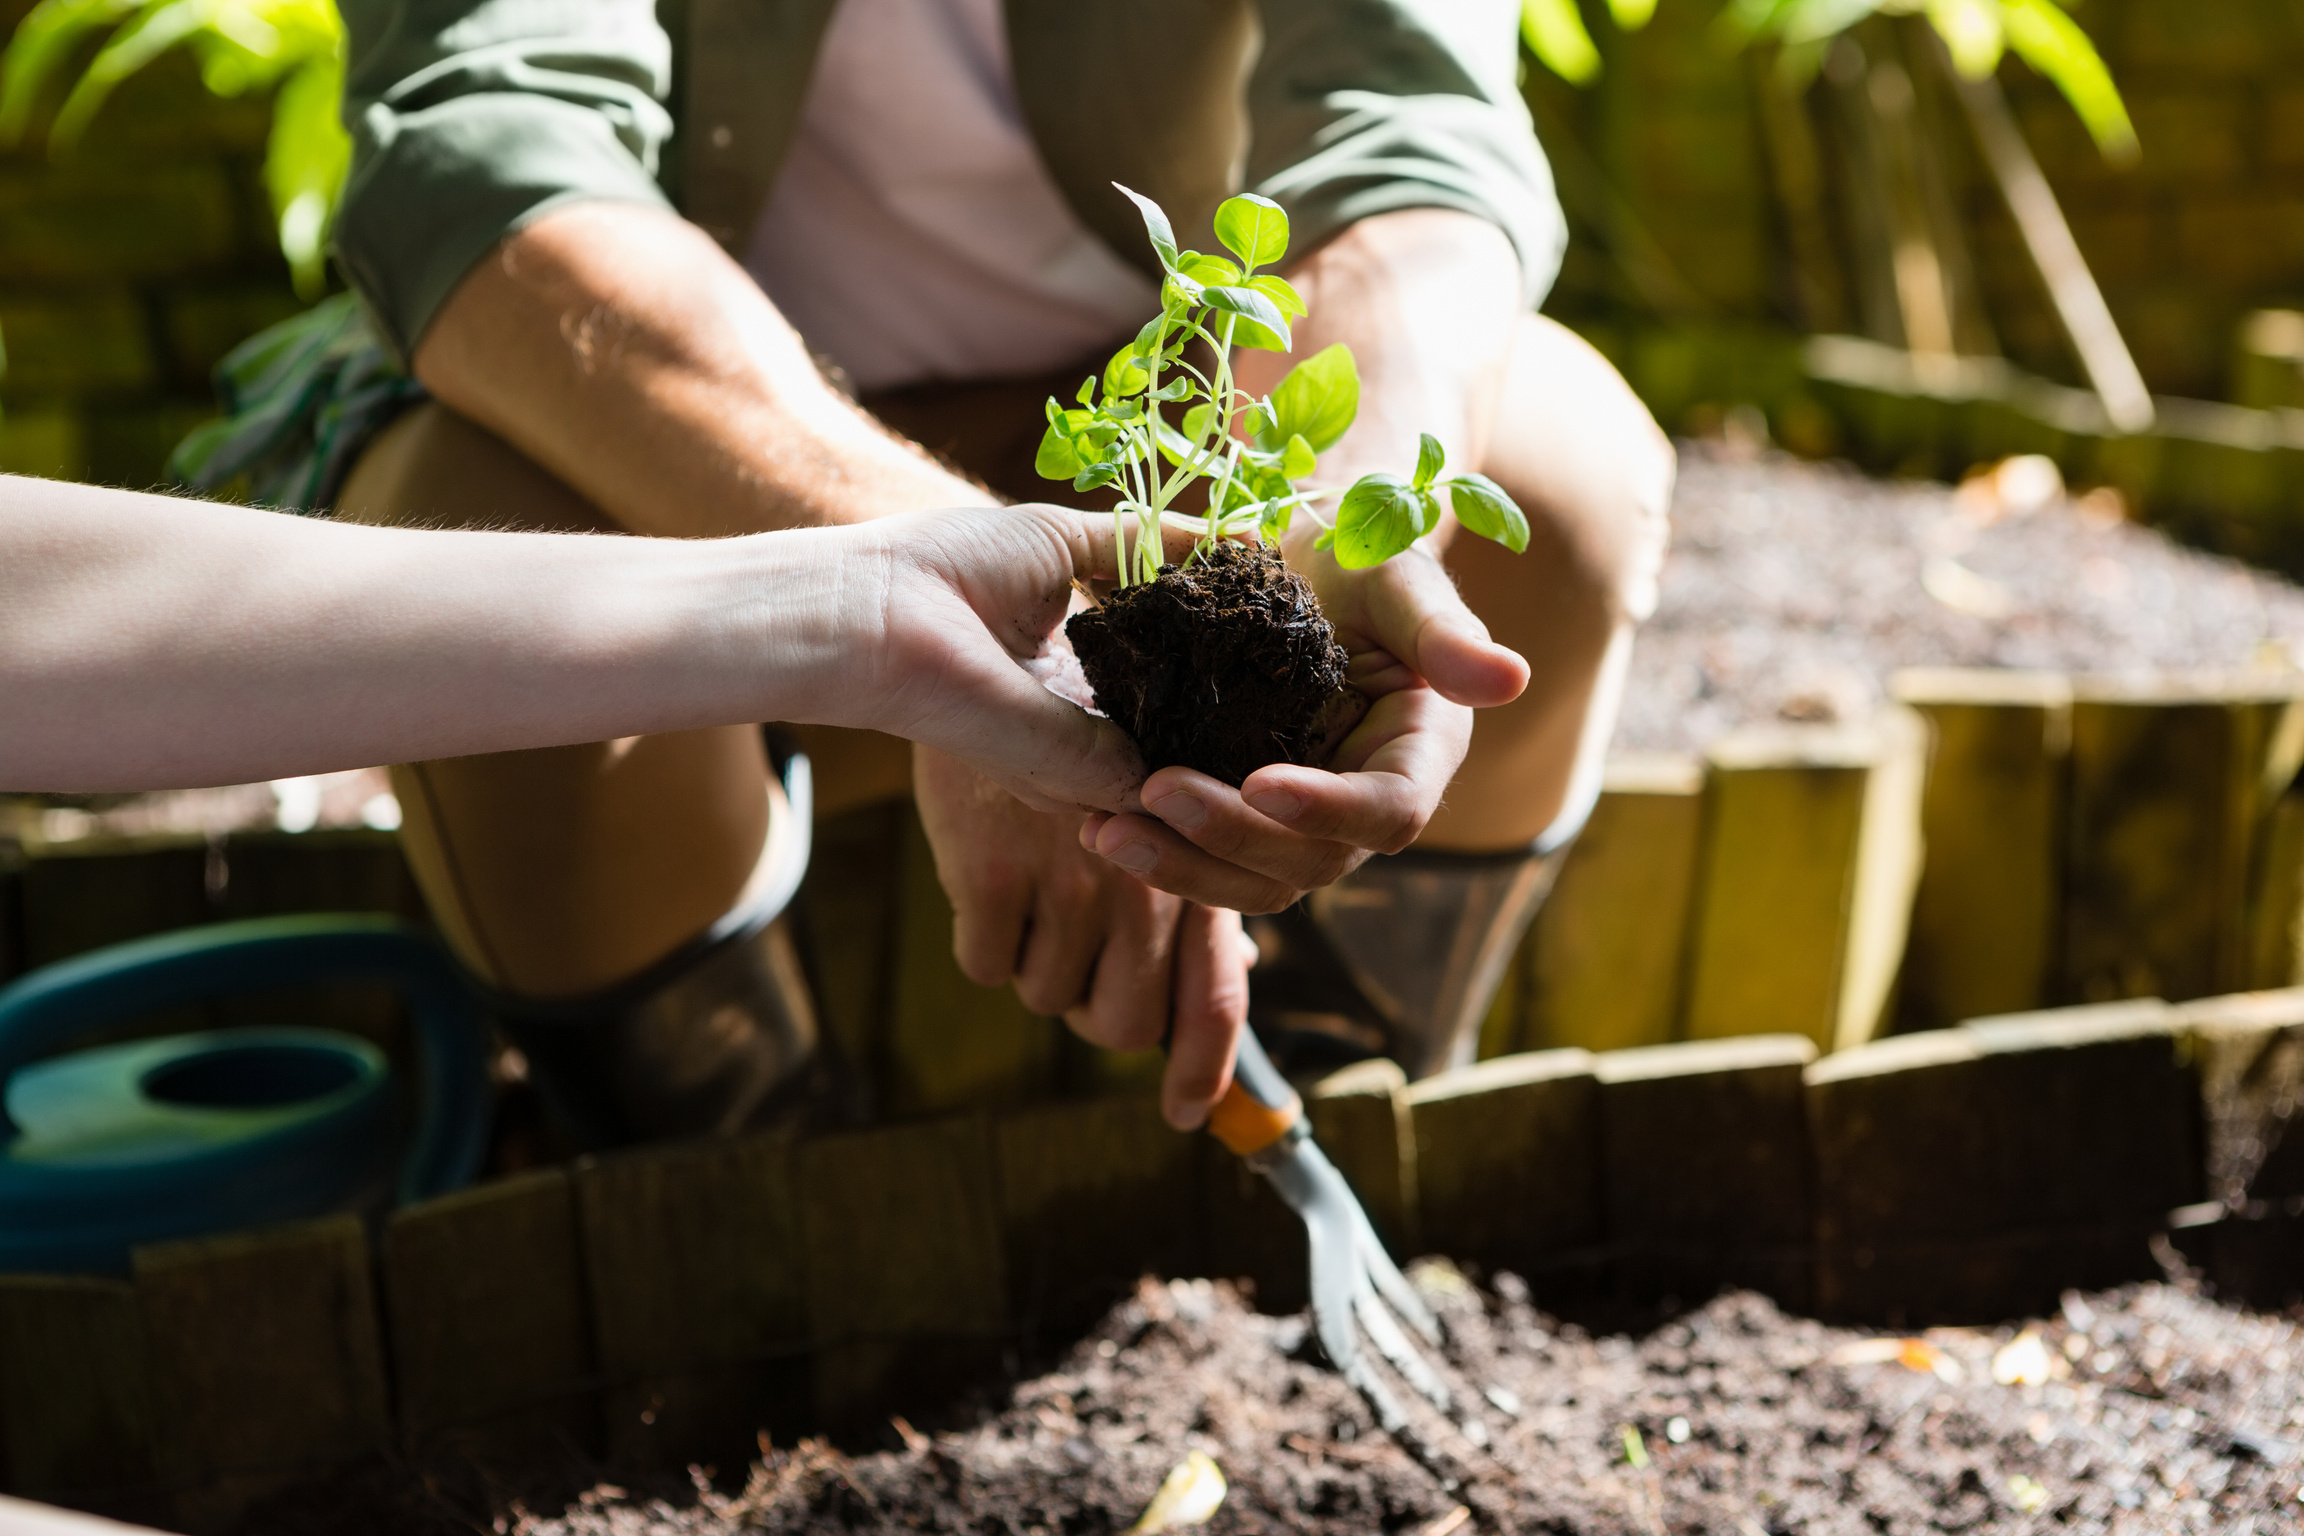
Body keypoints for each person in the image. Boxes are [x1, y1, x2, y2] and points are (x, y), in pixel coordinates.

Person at [175, 0, 1673, 1141]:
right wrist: (921, 578)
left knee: (1559, 482)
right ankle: (728, 1196)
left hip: (1159, 410)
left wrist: (1344, 494)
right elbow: (484, 156)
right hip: (675, 415)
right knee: (493, 573)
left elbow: (1412, 128)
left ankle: (1331, 1122)